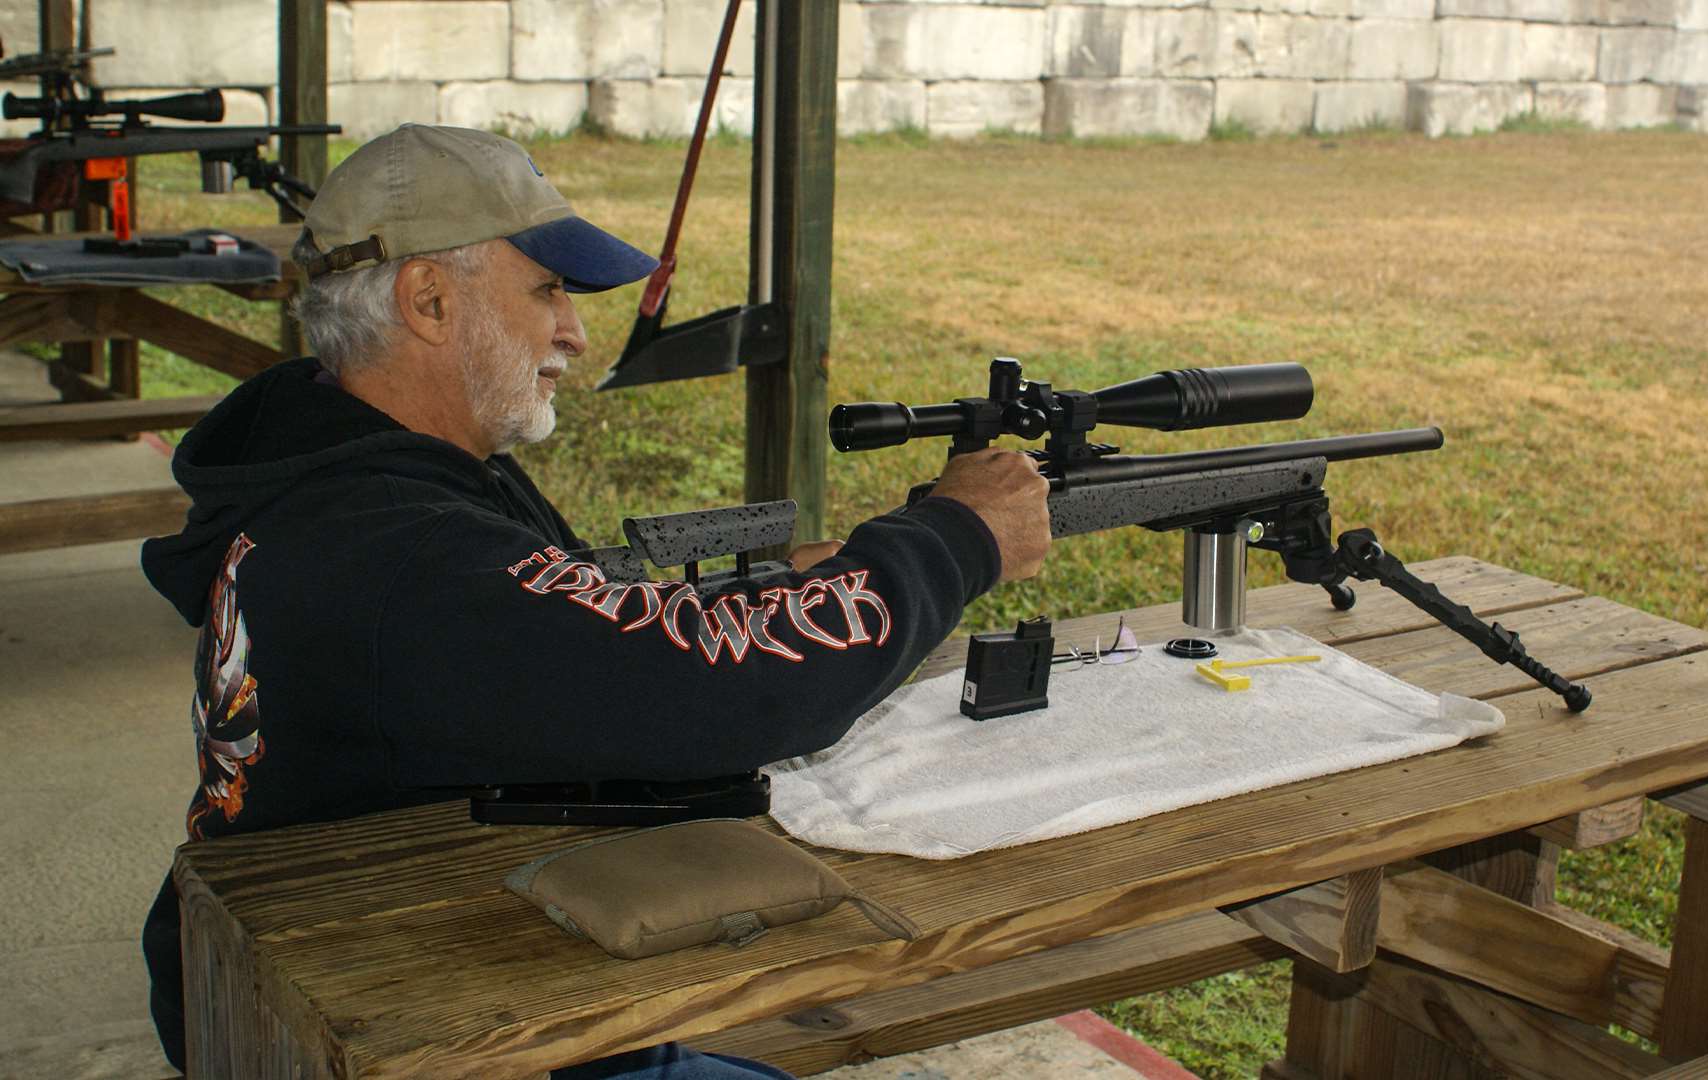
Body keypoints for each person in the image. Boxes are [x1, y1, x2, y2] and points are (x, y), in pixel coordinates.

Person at [139, 124, 1051, 1078]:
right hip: (377, 1030)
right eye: (547, 290)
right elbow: (717, 693)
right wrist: (959, 537)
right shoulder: (399, 548)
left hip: (361, 968)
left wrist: (791, 585)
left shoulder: (355, 470)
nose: (573, 331)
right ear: (429, 298)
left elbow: (570, 628)